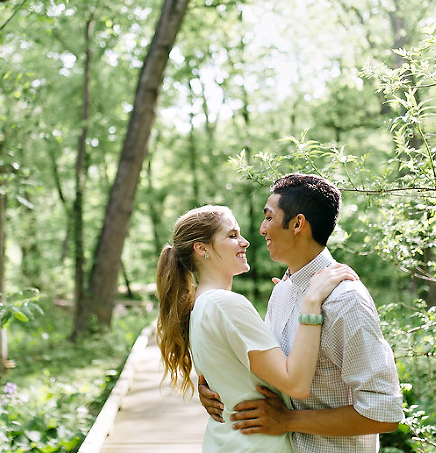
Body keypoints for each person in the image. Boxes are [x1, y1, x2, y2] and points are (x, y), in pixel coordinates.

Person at [198, 174, 404, 452]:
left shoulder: (346, 300)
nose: (261, 229)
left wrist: (289, 420)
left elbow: (385, 413)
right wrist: (215, 387)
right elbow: (269, 372)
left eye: (269, 217)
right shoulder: (281, 292)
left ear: (297, 224)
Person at [157, 205, 359, 452]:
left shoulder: (199, 305)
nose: (245, 242)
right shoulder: (225, 304)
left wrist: (289, 298)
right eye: (232, 235)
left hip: (227, 442)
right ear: (201, 248)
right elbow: (295, 384)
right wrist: (311, 301)